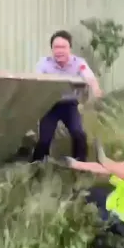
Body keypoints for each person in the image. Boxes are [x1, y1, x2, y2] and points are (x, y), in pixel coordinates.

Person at [32, 30, 103, 162]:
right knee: (44, 139)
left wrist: (96, 88)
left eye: (63, 47)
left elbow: (89, 76)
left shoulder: (78, 63)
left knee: (79, 134)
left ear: (70, 48)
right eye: (56, 47)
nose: (59, 51)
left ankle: (80, 164)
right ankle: (35, 166)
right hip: (49, 105)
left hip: (69, 105)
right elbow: (37, 79)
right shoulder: (44, 63)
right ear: (52, 49)